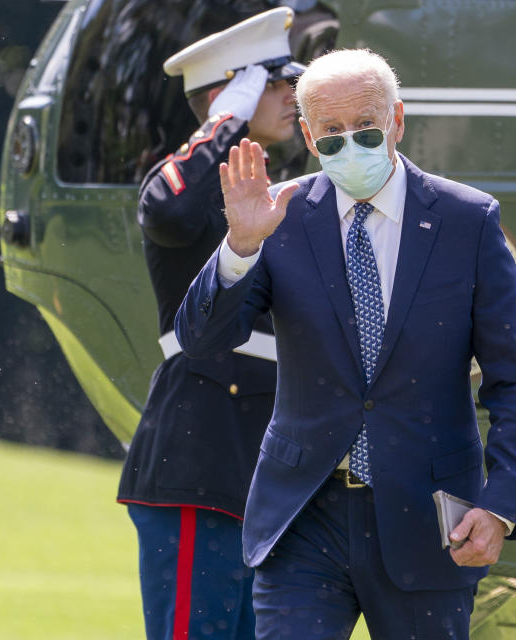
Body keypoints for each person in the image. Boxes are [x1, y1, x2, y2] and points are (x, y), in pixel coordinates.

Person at [175, 48, 516, 639]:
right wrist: (240, 247)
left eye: (367, 127)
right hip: (303, 517)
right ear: (308, 134)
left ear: (397, 120)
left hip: (427, 520)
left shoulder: (467, 221)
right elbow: (201, 340)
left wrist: (501, 504)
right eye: (332, 132)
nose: (351, 143)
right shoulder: (280, 216)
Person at [115, 9, 304, 640]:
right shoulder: (181, 188)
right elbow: (168, 208)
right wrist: (227, 117)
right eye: (273, 82)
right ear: (235, 90)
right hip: (203, 459)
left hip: (263, 471)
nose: (290, 95)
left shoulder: (278, 193)